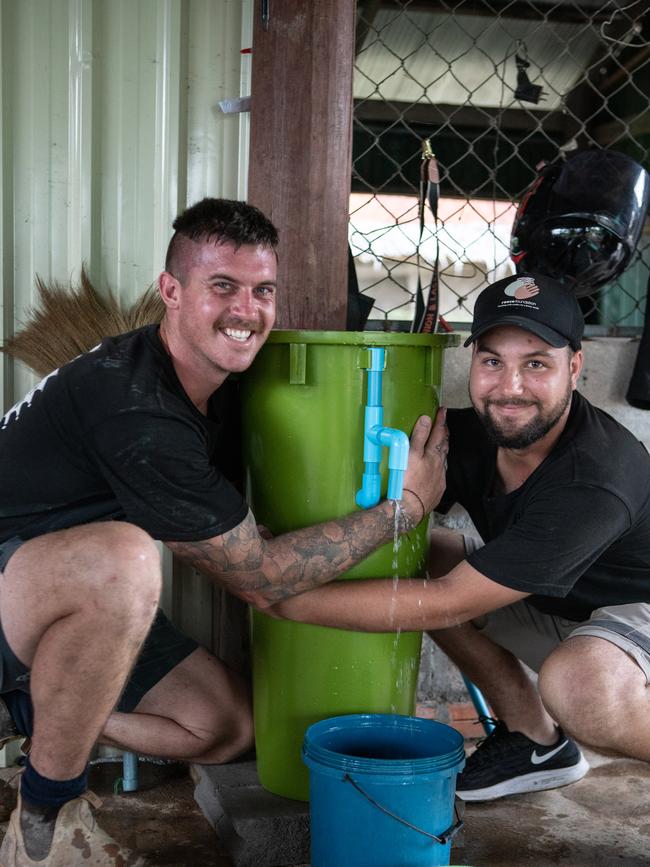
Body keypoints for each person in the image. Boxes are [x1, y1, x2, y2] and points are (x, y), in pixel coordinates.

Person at [0, 197, 448, 867]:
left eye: (262, 289)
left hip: (62, 594)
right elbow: (261, 575)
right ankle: (44, 818)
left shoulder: (212, 385)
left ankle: (29, 708)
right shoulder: (135, 407)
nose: (247, 309)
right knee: (126, 560)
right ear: (170, 292)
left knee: (225, 724)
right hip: (25, 581)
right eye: (222, 287)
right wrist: (402, 510)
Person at [271, 271, 650, 802]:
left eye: (536, 363)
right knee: (429, 551)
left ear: (575, 368)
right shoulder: (474, 436)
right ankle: (536, 740)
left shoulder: (594, 476)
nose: (509, 387)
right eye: (493, 361)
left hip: (634, 615)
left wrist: (281, 601)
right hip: (564, 608)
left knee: (580, 686)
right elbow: (395, 526)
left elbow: (445, 605)